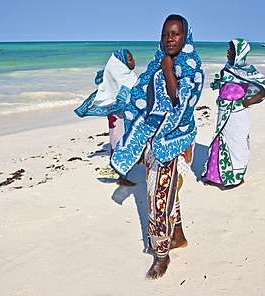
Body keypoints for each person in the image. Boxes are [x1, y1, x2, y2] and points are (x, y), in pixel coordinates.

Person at [110, 15, 204, 279]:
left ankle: (161, 255)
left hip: (173, 138)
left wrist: (167, 68)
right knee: (168, 189)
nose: (170, 39)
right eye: (165, 34)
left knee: (157, 196)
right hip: (152, 135)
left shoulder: (191, 66)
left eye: (175, 33)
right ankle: (178, 236)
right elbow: (140, 99)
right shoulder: (155, 63)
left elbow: (181, 102)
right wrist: (136, 138)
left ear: (186, 35)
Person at [202, 39, 265, 188]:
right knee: (220, 142)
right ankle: (215, 177)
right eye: (228, 49)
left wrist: (249, 101)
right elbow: (223, 83)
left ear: (239, 53)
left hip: (237, 115)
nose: (228, 52)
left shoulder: (247, 71)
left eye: (231, 50)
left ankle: (236, 178)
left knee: (236, 146)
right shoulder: (228, 67)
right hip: (224, 112)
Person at [74, 49, 137, 186]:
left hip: (116, 116)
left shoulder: (115, 76)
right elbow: (128, 95)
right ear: (122, 64)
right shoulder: (126, 78)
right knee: (120, 142)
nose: (134, 62)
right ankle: (122, 177)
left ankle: (122, 172)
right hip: (119, 117)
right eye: (131, 60)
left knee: (117, 142)